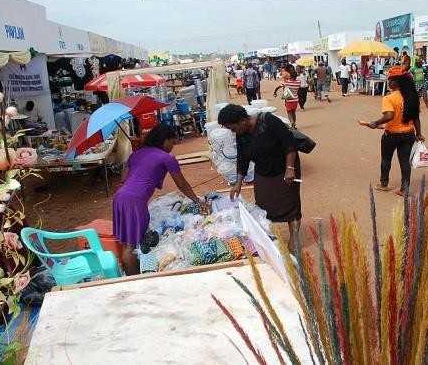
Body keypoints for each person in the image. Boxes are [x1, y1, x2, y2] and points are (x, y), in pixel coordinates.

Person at [113, 125, 208, 274]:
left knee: (127, 243)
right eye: (172, 142)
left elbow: (124, 178)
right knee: (132, 246)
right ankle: (135, 279)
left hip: (120, 197)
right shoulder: (167, 158)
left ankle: (132, 275)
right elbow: (181, 184)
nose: (172, 147)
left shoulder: (136, 153)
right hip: (135, 201)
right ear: (165, 141)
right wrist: (197, 200)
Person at [218, 105, 302, 251]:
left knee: (290, 203)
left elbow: (289, 144)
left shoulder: (268, 121)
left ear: (242, 120)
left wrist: (290, 169)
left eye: (232, 128)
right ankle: (268, 236)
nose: (233, 132)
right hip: (263, 170)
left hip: (285, 168)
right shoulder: (241, 133)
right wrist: (238, 183)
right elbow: (242, 159)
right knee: (262, 205)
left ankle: (294, 236)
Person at [358, 66, 424, 196]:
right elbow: (416, 117)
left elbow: (389, 116)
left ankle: (384, 184)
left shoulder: (389, 98)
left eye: (390, 80)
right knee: (405, 162)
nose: (388, 82)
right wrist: (419, 133)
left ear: (396, 82)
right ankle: (404, 189)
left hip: (391, 135)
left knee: (386, 159)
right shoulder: (412, 97)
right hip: (408, 134)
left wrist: (374, 123)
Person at [273, 64, 301, 128]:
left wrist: (275, 92)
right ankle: (294, 123)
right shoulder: (298, 82)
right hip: (295, 99)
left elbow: (278, 87)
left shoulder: (287, 82)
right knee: (293, 112)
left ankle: (292, 123)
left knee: (289, 112)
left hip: (288, 98)